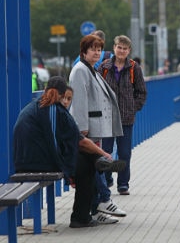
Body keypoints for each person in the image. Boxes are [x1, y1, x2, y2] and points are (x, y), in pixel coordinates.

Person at [13, 76, 124, 228]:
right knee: (87, 166)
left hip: (25, 160)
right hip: (37, 163)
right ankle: (83, 215)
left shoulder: (34, 106)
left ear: (45, 90)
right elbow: (81, 141)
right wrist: (104, 153)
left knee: (86, 160)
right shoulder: (55, 110)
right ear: (62, 93)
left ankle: (100, 172)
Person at [69, 35, 126, 226]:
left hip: (95, 128)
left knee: (95, 168)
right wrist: (82, 128)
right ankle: (102, 202)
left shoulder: (90, 70)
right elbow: (79, 101)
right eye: (92, 49)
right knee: (94, 168)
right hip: (88, 130)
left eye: (99, 49)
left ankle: (97, 208)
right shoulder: (80, 71)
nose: (96, 52)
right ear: (83, 51)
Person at [98, 35, 147, 196]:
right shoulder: (104, 67)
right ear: (114, 48)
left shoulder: (134, 68)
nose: (121, 51)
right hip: (107, 117)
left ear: (129, 51)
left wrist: (134, 107)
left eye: (125, 49)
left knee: (125, 152)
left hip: (126, 118)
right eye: (119, 47)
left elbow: (141, 91)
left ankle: (123, 183)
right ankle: (106, 179)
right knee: (105, 151)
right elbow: (96, 90)